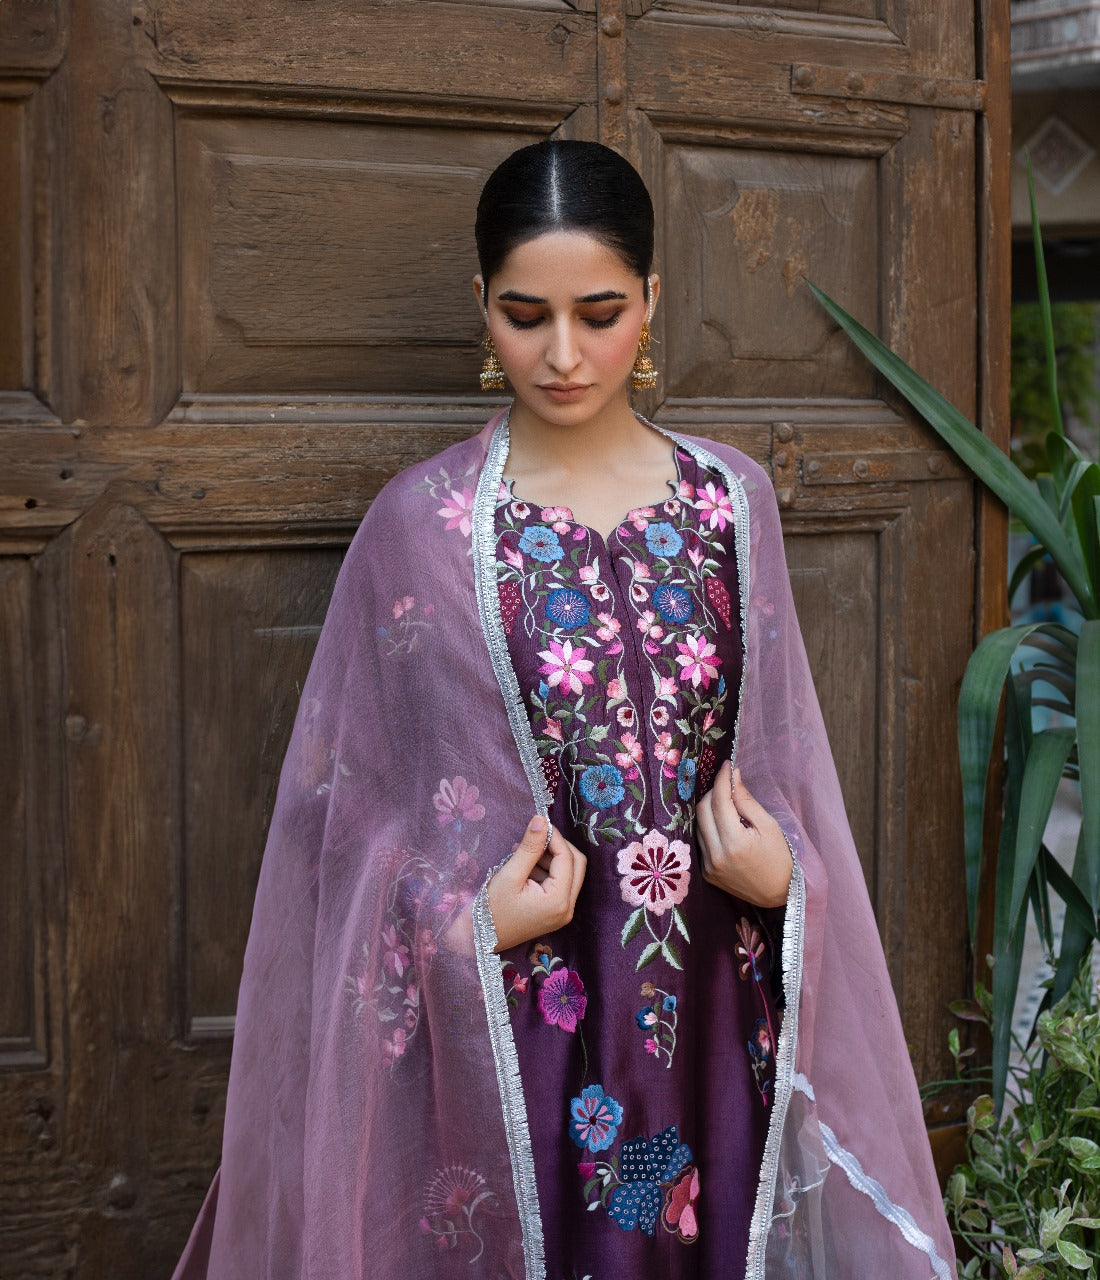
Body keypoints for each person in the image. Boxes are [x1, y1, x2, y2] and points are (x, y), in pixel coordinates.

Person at [173, 141, 956, 1280]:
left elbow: (783, 764)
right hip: (527, 1023)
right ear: (478, 305)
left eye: (599, 313)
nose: (562, 355)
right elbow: (340, 830)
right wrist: (459, 923)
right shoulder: (424, 524)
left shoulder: (730, 502)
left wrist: (790, 880)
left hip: (715, 1002)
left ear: (652, 299)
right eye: (523, 315)